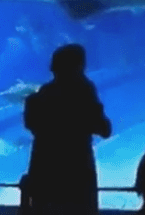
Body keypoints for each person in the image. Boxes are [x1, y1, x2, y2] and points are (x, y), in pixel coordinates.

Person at [25, 44, 112, 215]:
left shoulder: (40, 96)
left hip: (45, 170)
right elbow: (104, 129)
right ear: (78, 67)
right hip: (77, 171)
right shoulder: (84, 91)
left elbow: (32, 126)